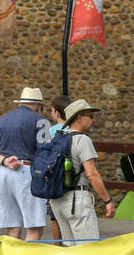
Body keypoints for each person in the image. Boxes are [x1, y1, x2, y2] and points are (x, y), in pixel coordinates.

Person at [0, 86, 51, 241]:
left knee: (12, 228)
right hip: (27, 172)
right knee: (34, 228)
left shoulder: (2, 120)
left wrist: (4, 160)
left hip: (2, 172)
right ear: (39, 107)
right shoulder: (41, 120)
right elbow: (45, 153)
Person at [48, 99, 116, 245]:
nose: (93, 120)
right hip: (76, 200)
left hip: (57, 200)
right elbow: (92, 174)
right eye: (90, 116)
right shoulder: (82, 140)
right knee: (88, 249)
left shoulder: (57, 137)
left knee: (70, 250)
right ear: (79, 118)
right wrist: (108, 200)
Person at [46, 95, 71, 244]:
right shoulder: (75, 129)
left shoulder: (51, 131)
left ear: (56, 112)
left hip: (55, 177)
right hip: (71, 175)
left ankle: (57, 245)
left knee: (55, 216)